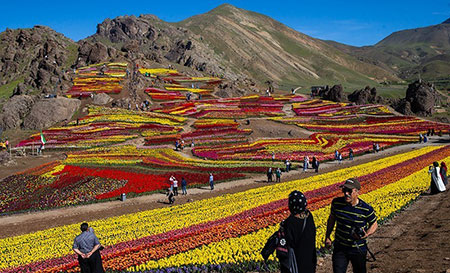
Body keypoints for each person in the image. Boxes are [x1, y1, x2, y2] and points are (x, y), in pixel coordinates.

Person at [325, 178, 378, 273]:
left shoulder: (366, 209)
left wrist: (367, 234)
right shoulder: (336, 203)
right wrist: (327, 236)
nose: (346, 193)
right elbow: (332, 219)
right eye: (344, 190)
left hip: (358, 248)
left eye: (349, 191)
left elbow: (374, 224)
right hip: (340, 247)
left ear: (357, 192)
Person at [279, 191, 316, 273]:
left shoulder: (289, 223)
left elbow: (288, 243)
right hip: (310, 262)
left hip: (296, 263)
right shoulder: (309, 217)